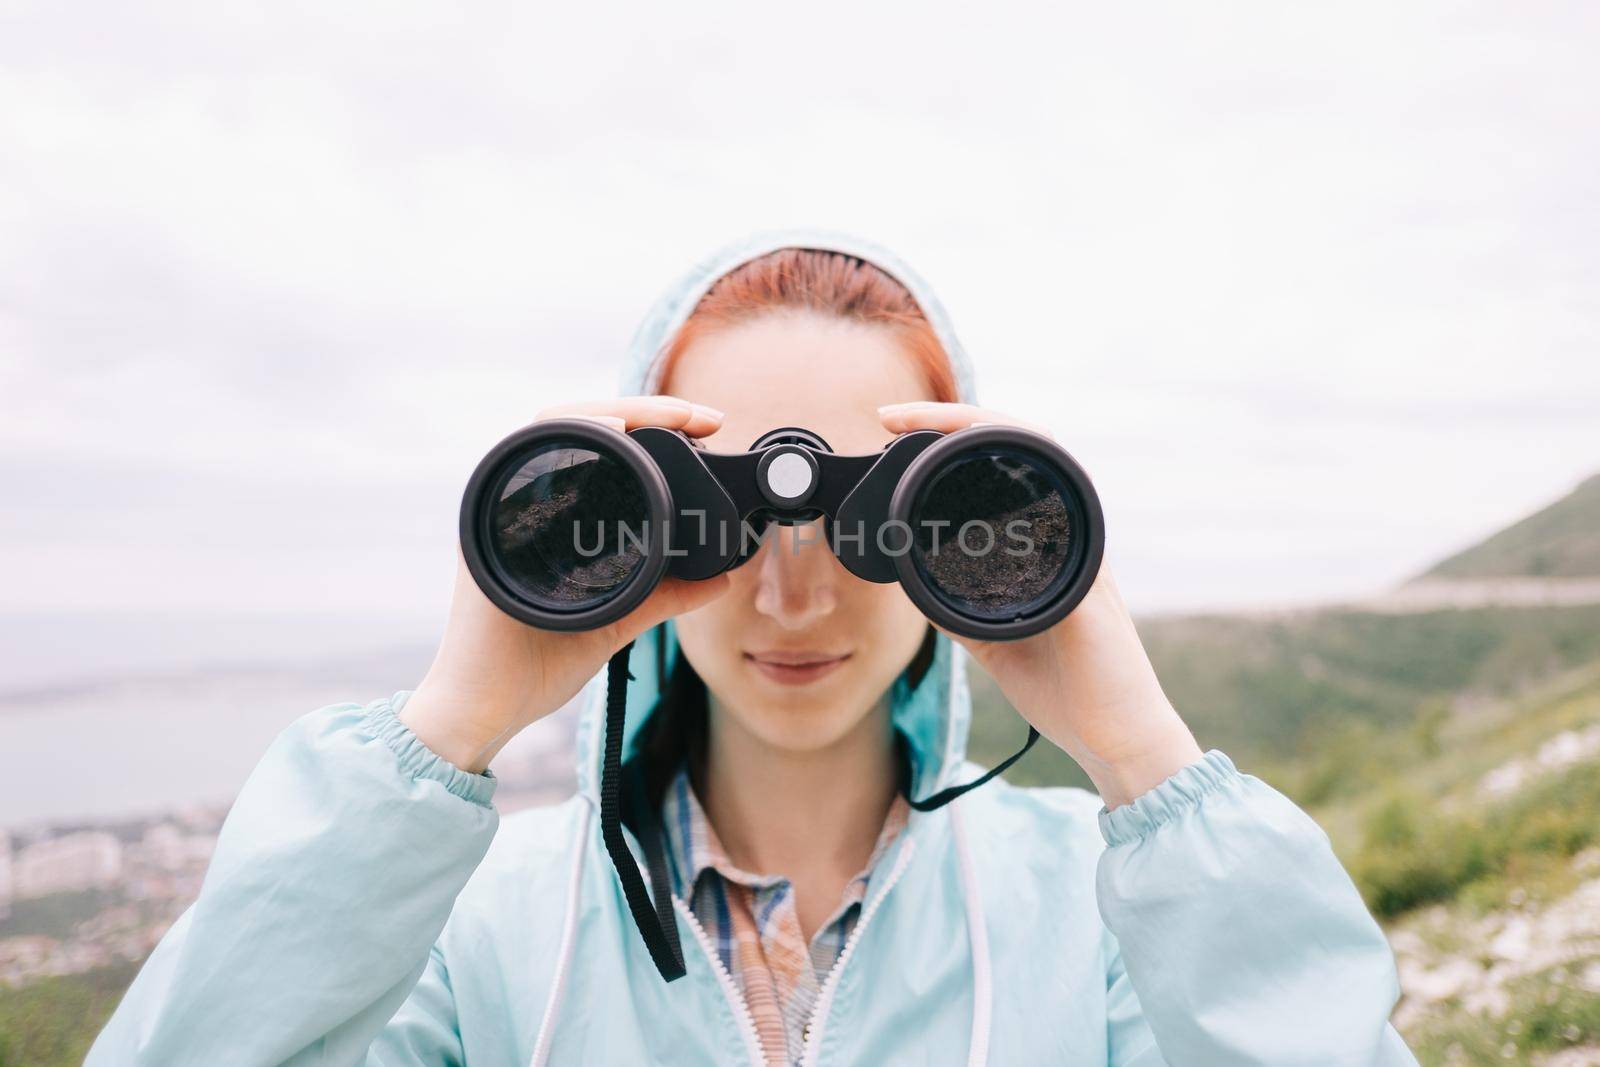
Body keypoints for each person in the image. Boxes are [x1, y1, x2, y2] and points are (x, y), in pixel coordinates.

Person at [88, 231, 1418, 1066]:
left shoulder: (1107, 914)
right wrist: (450, 722)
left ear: (958, 528)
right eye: (707, 522)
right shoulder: (473, 930)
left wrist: (1143, 758)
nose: (793, 596)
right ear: (630, 520)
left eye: (872, 521)